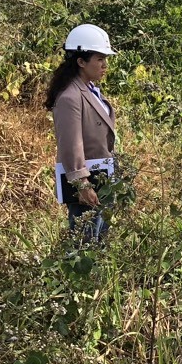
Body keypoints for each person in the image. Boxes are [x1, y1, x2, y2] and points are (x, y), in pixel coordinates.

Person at [46, 23, 118, 244]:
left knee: (100, 238)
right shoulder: (70, 96)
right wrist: (82, 184)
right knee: (84, 243)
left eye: (105, 59)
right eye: (99, 59)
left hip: (102, 175)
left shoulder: (90, 89)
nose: (104, 65)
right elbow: (71, 144)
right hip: (87, 180)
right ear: (80, 62)